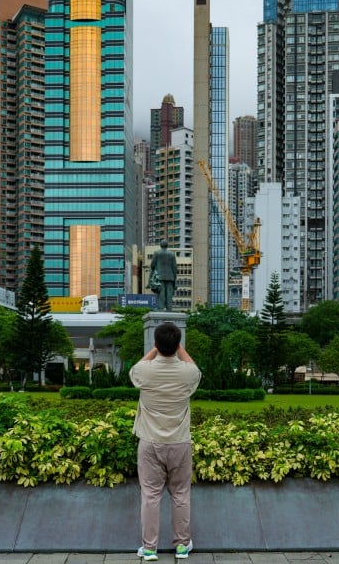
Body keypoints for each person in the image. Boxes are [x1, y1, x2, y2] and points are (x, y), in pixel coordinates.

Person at [129, 321, 201, 561]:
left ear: (156, 344)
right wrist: (178, 347)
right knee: (181, 494)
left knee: (150, 495)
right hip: (180, 442)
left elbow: (138, 366)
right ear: (178, 343)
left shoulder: (144, 371)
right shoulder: (188, 373)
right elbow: (194, 367)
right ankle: (182, 545)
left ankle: (149, 548)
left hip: (150, 442)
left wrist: (155, 349)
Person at [150, 240, 178, 311]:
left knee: (161, 293)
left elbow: (152, 264)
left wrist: (154, 270)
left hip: (160, 276)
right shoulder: (172, 254)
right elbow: (174, 267)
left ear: (160, 245)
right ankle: (169, 308)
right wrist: (175, 277)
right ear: (167, 245)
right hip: (170, 277)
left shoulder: (157, 253)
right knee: (169, 293)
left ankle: (160, 308)